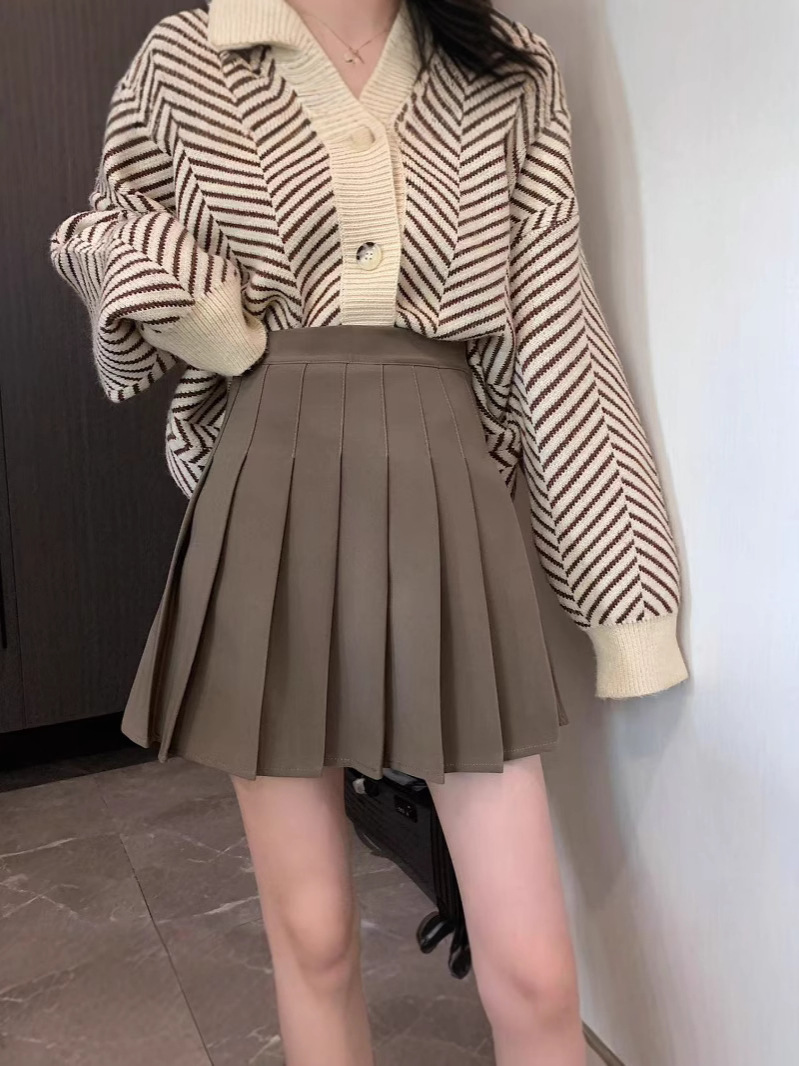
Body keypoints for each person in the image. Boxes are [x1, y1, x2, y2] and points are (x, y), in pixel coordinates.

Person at [49, 1, 689, 1062]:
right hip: (268, 499)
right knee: (314, 940)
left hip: (447, 500)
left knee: (535, 971)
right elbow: (101, 227)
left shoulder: (506, 66)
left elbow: (555, 335)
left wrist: (627, 603)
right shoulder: (189, 56)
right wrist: (191, 304)